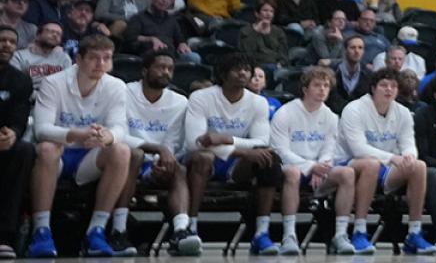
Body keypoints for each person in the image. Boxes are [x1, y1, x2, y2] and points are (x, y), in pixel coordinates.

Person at [24, 35, 133, 258]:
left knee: (121, 150)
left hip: (89, 158)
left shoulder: (116, 86)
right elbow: (41, 129)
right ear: (79, 59)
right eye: (94, 58)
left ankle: (97, 231)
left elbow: (120, 127)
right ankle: (41, 231)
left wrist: (107, 137)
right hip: (59, 156)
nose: (100, 64)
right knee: (46, 147)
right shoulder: (53, 82)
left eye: (106, 58)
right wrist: (75, 134)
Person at [184, 54, 278, 254]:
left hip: (237, 163)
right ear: (223, 73)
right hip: (203, 161)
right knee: (203, 157)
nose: (243, 73)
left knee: (268, 157)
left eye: (246, 69)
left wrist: (228, 139)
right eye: (237, 69)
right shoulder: (201, 97)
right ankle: (190, 227)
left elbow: (262, 141)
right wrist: (242, 151)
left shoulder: (258, 102)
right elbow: (195, 142)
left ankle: (262, 232)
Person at [341, 67, 436, 254]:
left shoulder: (402, 112)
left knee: (419, 166)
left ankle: (414, 233)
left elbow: (409, 143)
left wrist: (409, 155)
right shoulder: (354, 109)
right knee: (371, 163)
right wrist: (394, 158)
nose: (389, 89)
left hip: (385, 168)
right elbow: (358, 149)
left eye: (393, 86)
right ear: (373, 88)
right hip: (350, 165)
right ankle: (359, 231)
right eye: (383, 85)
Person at [269, 66, 361, 254]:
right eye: (317, 85)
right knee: (293, 173)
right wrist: (312, 167)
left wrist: (322, 166)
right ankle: (289, 236)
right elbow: (280, 150)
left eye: (326, 85)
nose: (322, 89)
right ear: (305, 89)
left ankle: (341, 234)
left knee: (347, 173)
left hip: (320, 171)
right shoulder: (285, 113)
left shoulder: (331, 116)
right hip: (291, 169)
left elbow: (331, 148)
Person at [119, 51, 193, 253]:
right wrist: (157, 149)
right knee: (135, 155)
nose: (166, 72)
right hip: (126, 159)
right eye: (161, 67)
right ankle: (119, 231)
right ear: (145, 70)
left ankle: (181, 231)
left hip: (157, 162)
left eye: (170, 69)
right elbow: (119, 135)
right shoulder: (123, 92)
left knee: (178, 169)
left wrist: (162, 160)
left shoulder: (180, 102)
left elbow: (174, 141)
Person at [0, 25, 33, 249]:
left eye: (12, 41)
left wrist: (13, 133)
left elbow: (20, 117)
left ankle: (5, 236)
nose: (7, 45)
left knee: (24, 150)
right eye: (2, 40)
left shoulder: (20, 80)